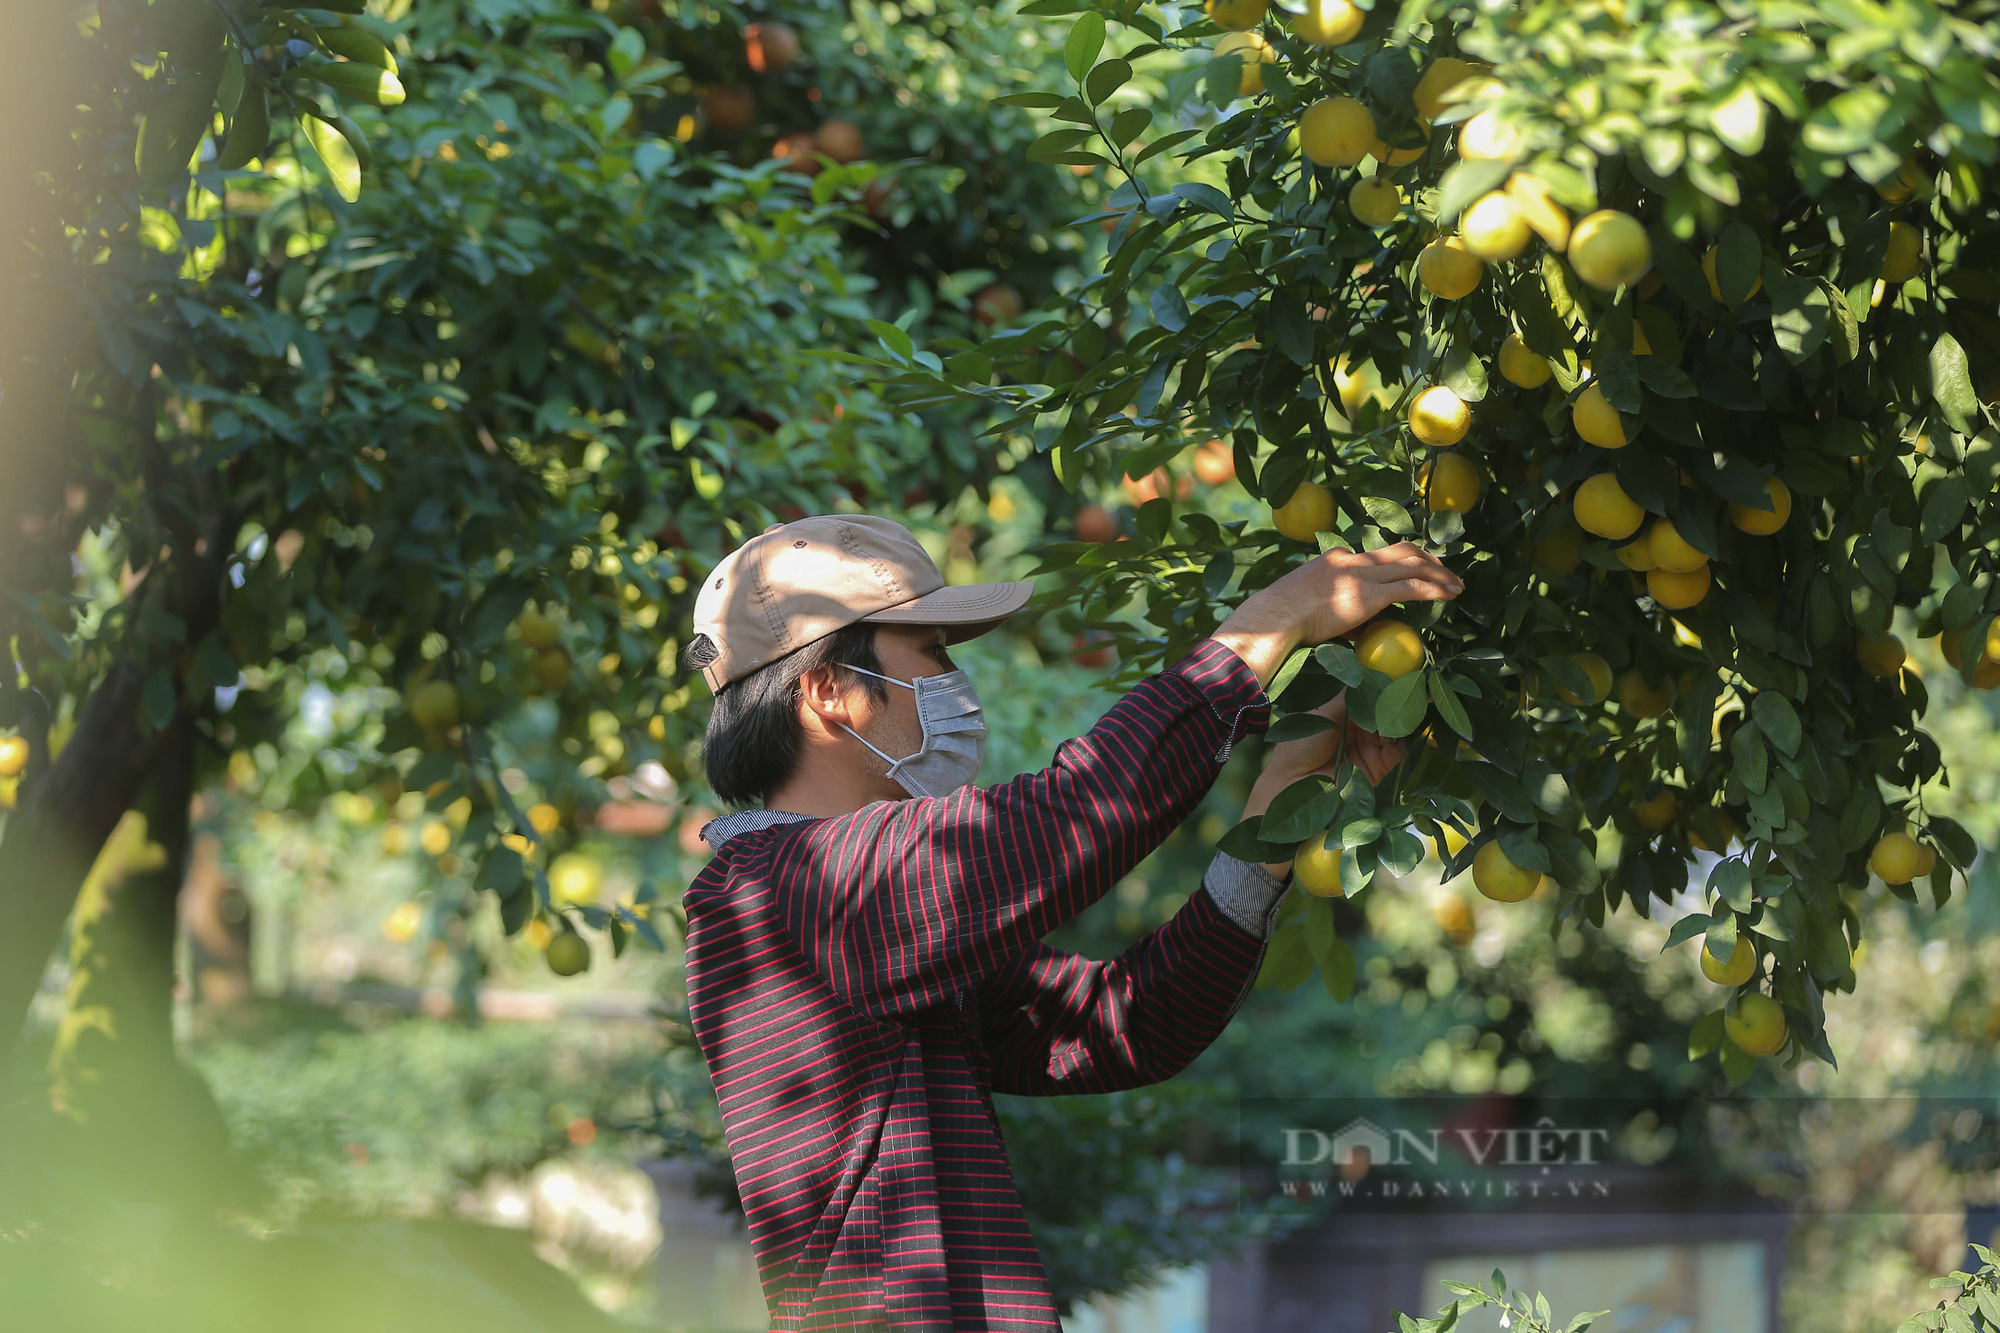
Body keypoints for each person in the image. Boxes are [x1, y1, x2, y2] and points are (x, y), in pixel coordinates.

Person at [679, 513, 1462, 1333]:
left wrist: (1280, 797)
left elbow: (1131, 1022)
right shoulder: (788, 894)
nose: (955, 681)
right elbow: (1074, 815)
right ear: (828, 690)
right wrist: (1276, 619)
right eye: (933, 653)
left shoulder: (844, 914)